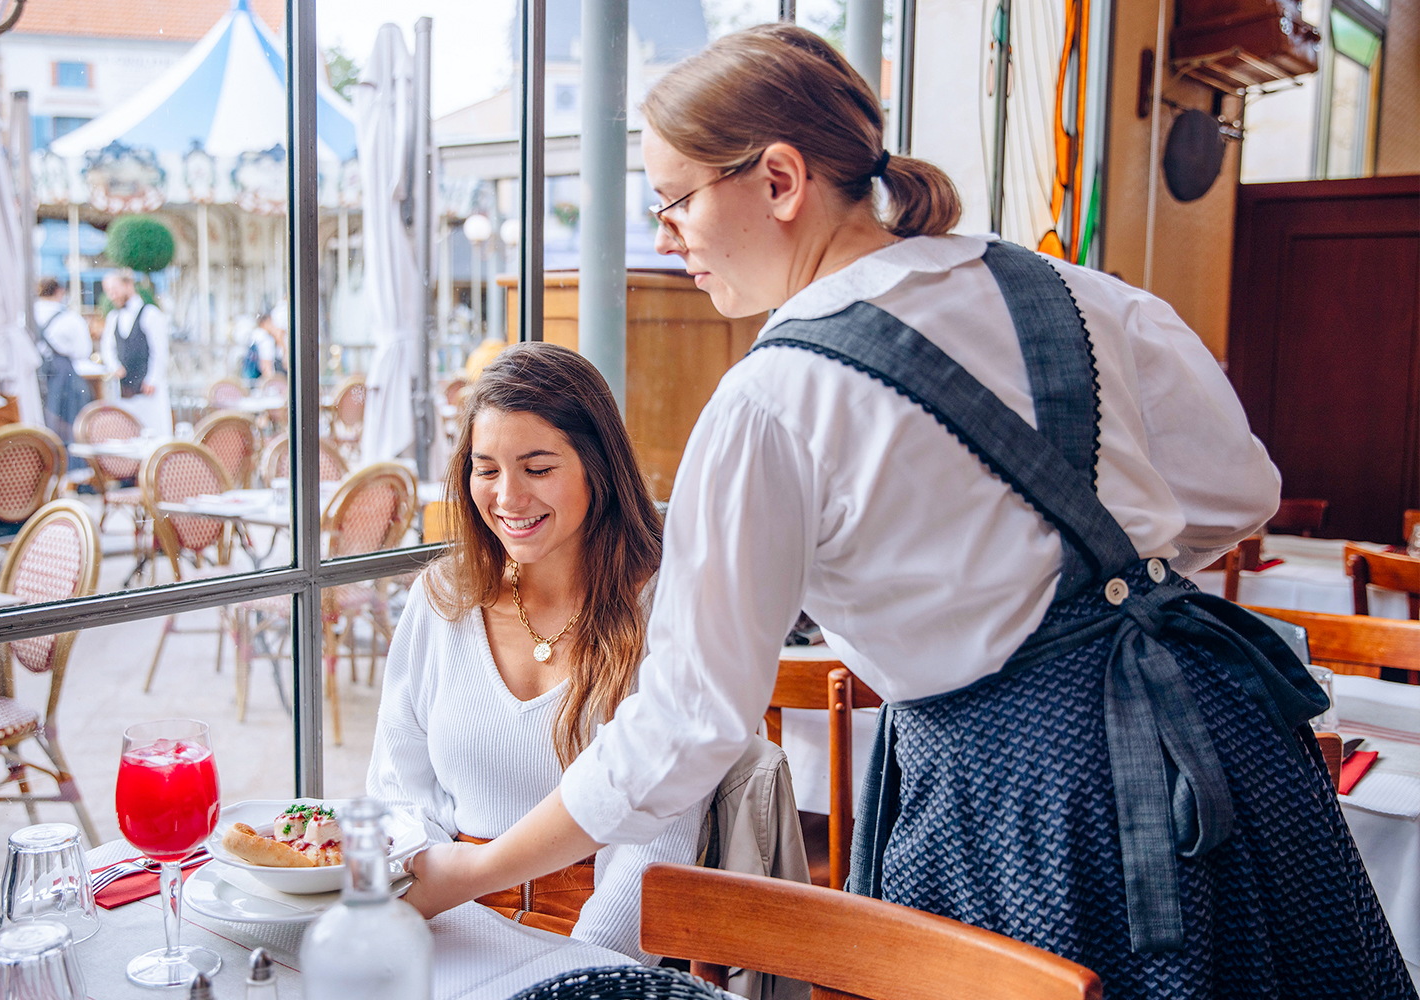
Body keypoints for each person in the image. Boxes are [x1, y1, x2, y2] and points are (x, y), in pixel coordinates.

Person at [404, 24, 1415, 998]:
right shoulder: (1073, 290)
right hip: (1220, 738)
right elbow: (1239, 491)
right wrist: (1092, 589)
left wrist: (466, 872)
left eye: (673, 200)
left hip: (1027, 801)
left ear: (779, 180)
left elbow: (682, 723)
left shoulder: (772, 398)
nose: (668, 235)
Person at [368, 342, 706, 962]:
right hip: (446, 919)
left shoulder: (664, 606)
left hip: (597, 937)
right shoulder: (442, 599)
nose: (507, 497)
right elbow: (398, 790)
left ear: (597, 468)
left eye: (538, 467)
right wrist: (432, 915)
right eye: (486, 467)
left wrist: (579, 969)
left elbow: (660, 836)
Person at [100, 269, 172, 436]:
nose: (112, 295)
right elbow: (107, 347)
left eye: (114, 289)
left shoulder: (150, 314)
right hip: (124, 389)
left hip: (147, 389)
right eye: (108, 291)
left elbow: (160, 351)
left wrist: (152, 379)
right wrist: (114, 366)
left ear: (128, 284)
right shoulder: (113, 317)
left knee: (153, 432)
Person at [33, 276, 94, 445]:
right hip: (63, 376)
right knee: (68, 423)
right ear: (59, 291)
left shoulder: (26, 317)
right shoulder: (70, 318)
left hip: (34, 376)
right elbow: (83, 351)